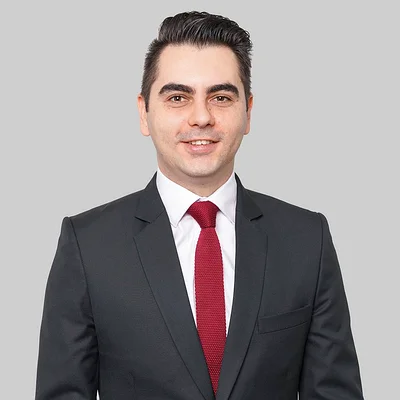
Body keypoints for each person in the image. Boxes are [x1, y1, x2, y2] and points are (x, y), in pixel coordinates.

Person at [35, 11, 364, 400]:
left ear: (248, 112)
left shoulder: (307, 240)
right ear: (144, 112)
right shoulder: (87, 245)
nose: (202, 117)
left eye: (221, 97)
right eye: (178, 97)